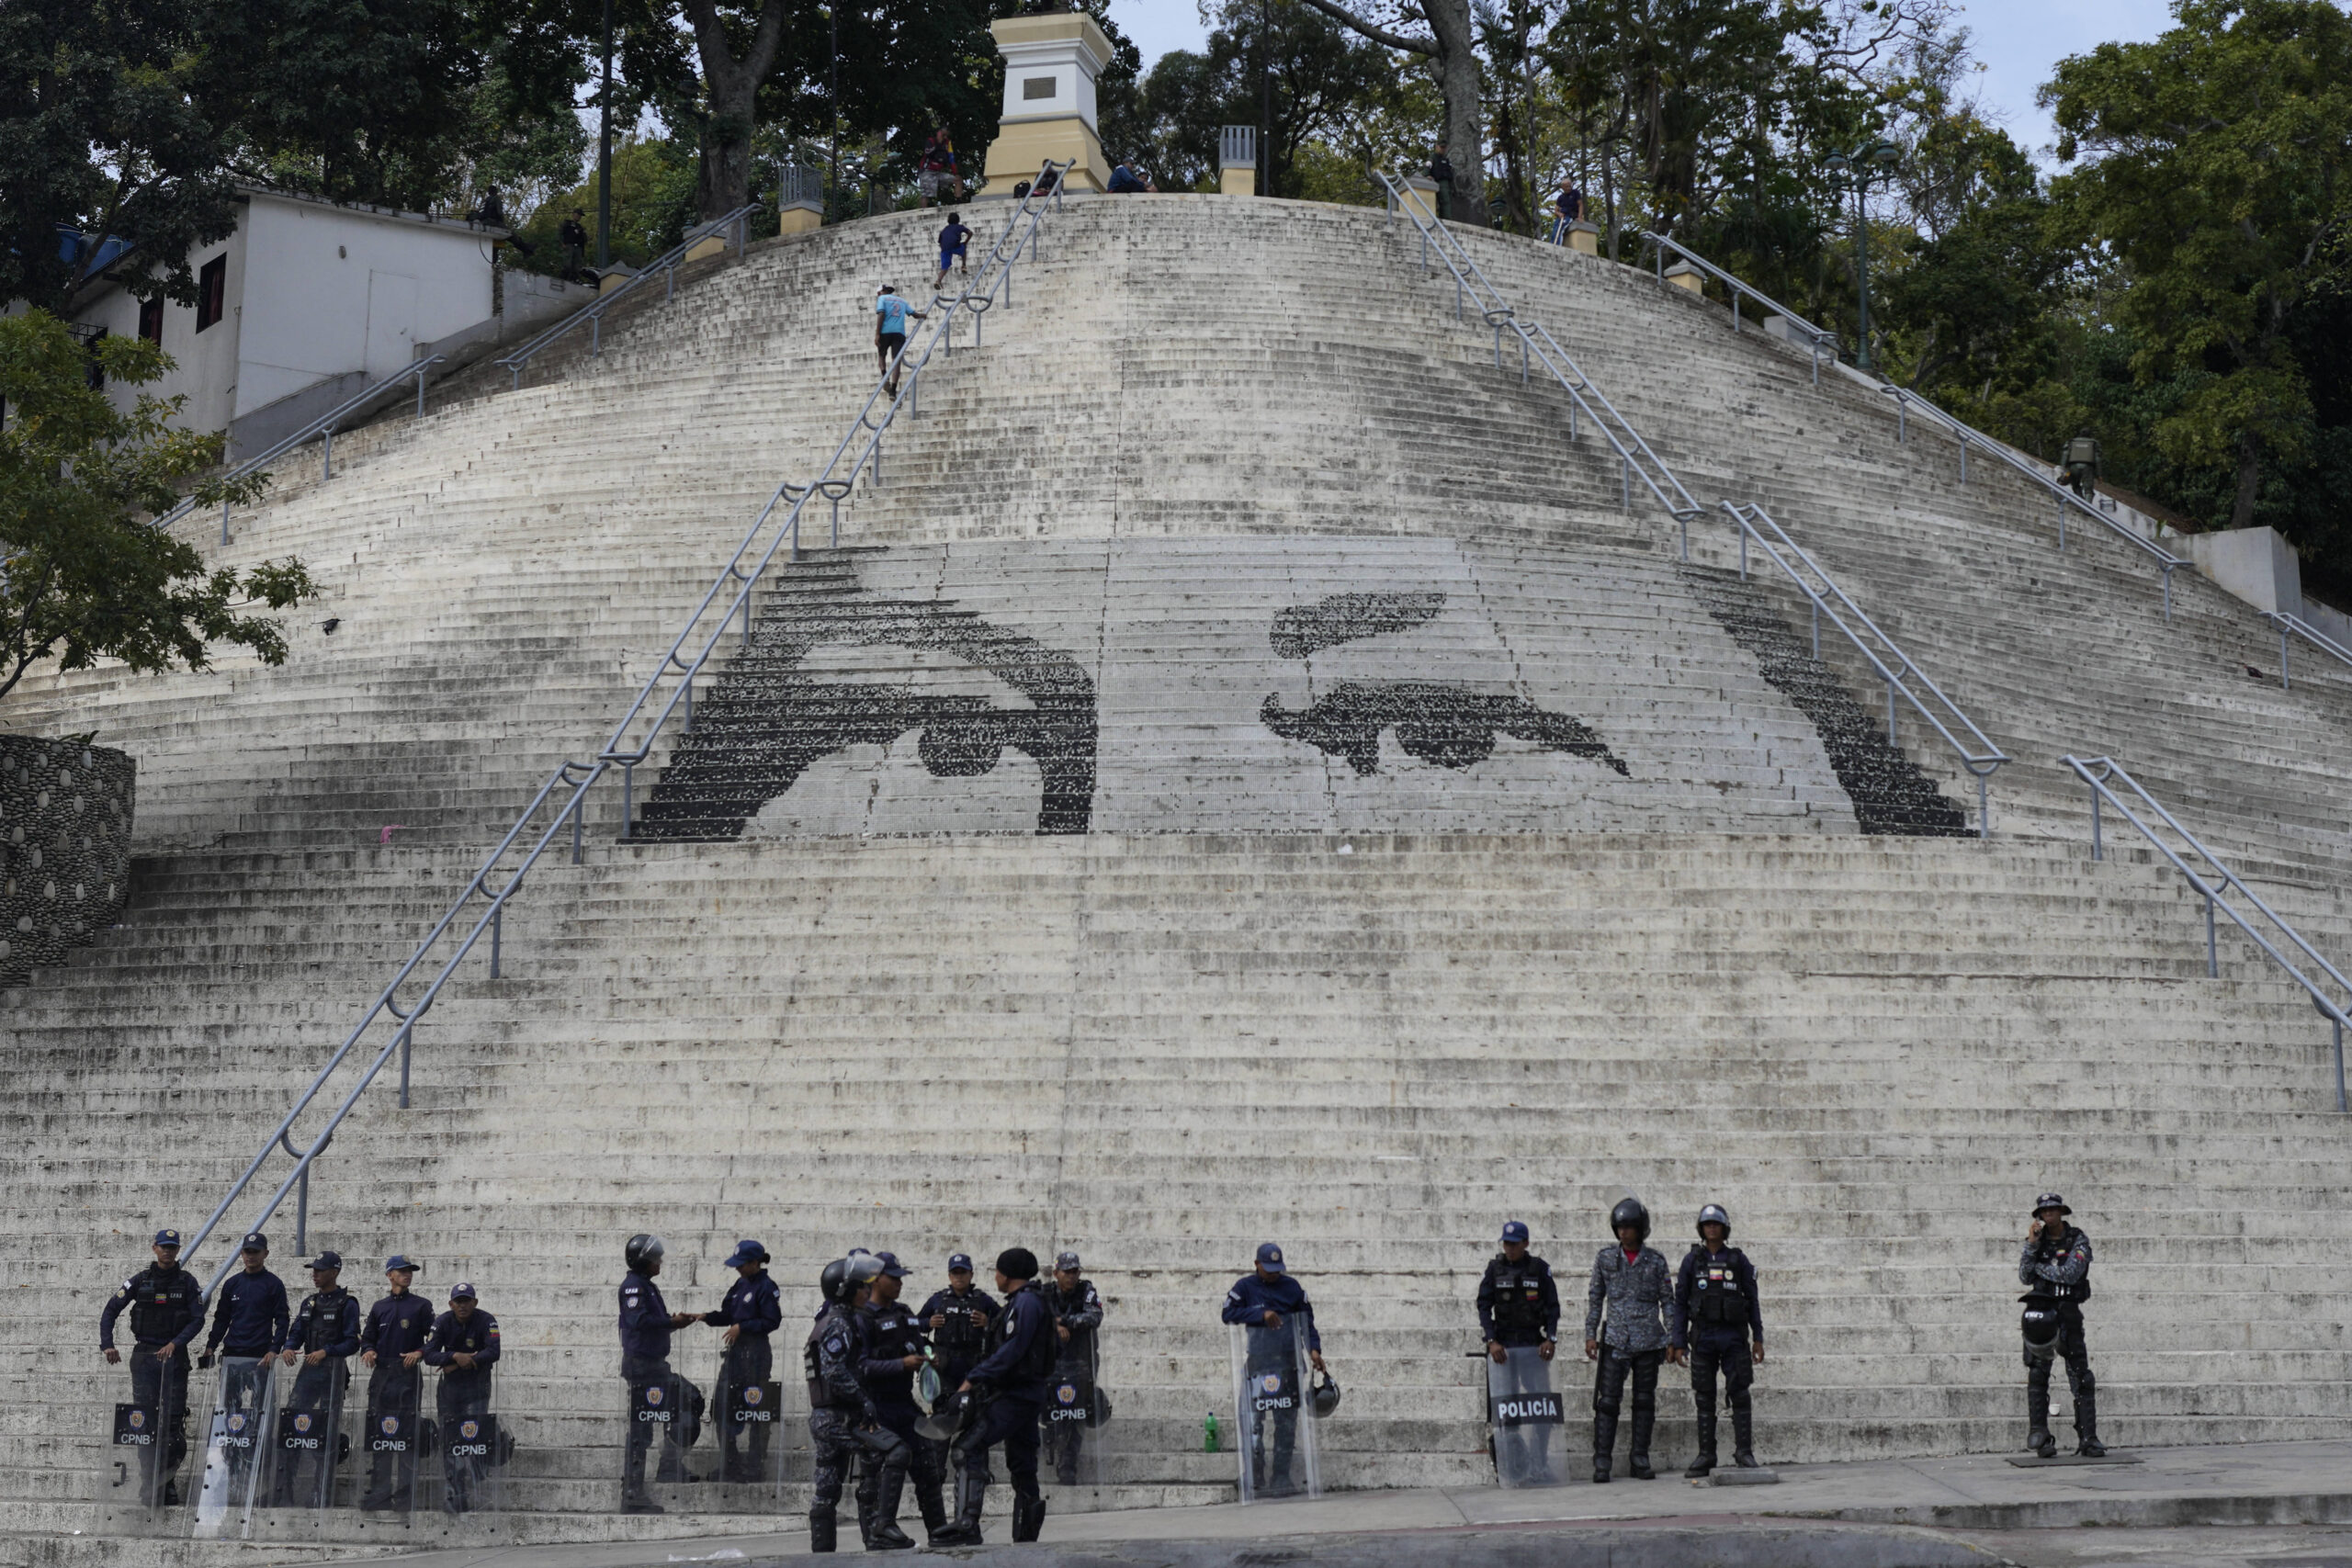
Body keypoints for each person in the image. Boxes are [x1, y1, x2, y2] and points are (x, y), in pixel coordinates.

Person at [933, 1247, 1055, 1545]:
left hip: (1015, 1395)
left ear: (1008, 1275)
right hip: (1026, 1394)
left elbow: (1014, 1349)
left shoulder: (1025, 1303)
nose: (996, 1278)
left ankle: (966, 1525)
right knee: (1023, 1464)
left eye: (998, 1272)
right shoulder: (1027, 1302)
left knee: (966, 1447)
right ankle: (1026, 1538)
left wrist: (974, 1378)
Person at [806, 1254, 915, 1552]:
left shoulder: (833, 1321)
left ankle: (824, 1553)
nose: (868, 1292)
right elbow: (834, 1371)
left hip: (826, 1416)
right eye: (863, 1288)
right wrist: (863, 1399)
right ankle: (883, 1528)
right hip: (839, 1417)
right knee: (895, 1450)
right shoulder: (839, 1324)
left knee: (828, 1488)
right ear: (848, 1291)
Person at [98, 1228, 204, 1505]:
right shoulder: (139, 1281)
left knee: (172, 1426)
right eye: (164, 1246)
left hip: (174, 1358)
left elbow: (198, 1319)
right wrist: (107, 1344)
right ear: (154, 1248)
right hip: (145, 1357)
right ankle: (149, 1483)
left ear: (178, 1250)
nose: (168, 1251)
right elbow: (111, 1310)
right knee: (144, 1425)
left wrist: (176, 1343)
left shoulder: (188, 1282)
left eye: (173, 1247)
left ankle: (165, 1483)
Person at [1221, 1242, 1326, 1498]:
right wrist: (1261, 1315)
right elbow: (1227, 1313)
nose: (1273, 1274)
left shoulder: (1292, 1288)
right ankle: (1255, 1475)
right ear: (1256, 1264)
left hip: (1288, 1362)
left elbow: (1307, 1322)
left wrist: (1314, 1350)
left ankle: (1281, 1476)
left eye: (1277, 1269)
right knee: (1253, 1422)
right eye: (1268, 1269)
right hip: (1258, 1363)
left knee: (1286, 1424)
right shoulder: (1244, 1287)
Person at [1669, 1204, 1764, 1476]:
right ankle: (1706, 1454)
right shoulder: (1692, 1261)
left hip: (1733, 1336)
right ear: (1701, 1229)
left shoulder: (1738, 1260)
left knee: (1740, 1393)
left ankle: (1744, 1452)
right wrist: (1678, 1341)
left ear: (1724, 1228)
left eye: (1716, 1224)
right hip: (1703, 1336)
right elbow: (1680, 1303)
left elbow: (1752, 1300)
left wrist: (1758, 1337)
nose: (1712, 1228)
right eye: (1707, 1224)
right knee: (1704, 1396)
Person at [858, 1251, 945, 1541]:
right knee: (879, 1474)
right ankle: (881, 1530)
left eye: (900, 1278)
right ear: (875, 1279)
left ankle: (939, 1530)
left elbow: (921, 1347)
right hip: (874, 1407)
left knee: (928, 1465)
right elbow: (859, 1366)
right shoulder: (863, 1318)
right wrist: (900, 1364)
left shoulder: (906, 1313)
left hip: (904, 1404)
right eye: (893, 1278)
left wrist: (929, 1358)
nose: (898, 1283)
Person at [1585, 1198, 1670, 1483]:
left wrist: (1673, 1337)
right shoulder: (1606, 1258)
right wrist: (1590, 1334)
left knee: (1644, 1401)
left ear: (1640, 1229)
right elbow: (1596, 1298)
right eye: (1620, 1227)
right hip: (1616, 1339)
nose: (1624, 1233)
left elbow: (1668, 1302)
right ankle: (1602, 1460)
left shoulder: (1656, 1261)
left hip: (1648, 1341)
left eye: (1630, 1227)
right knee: (1607, 1402)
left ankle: (1640, 1457)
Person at [198, 1231, 288, 1498]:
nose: (250, 1256)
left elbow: (282, 1321)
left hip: (260, 1358)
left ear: (265, 1254)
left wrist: (274, 1350)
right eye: (247, 1251)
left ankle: (259, 1471)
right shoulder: (232, 1284)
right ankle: (232, 1467)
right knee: (230, 1415)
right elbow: (222, 1319)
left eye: (256, 1251)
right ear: (241, 1254)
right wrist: (211, 1345)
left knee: (262, 1414)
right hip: (233, 1357)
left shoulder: (273, 1284)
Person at [618, 1234, 699, 1513]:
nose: (660, 1262)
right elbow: (637, 1320)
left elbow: (654, 1320)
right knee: (641, 1430)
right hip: (642, 1368)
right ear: (643, 1261)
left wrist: (674, 1322)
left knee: (691, 1399)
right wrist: (670, 1322)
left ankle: (669, 1464)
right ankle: (632, 1493)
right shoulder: (633, 1288)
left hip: (656, 1366)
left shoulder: (647, 1286)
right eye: (656, 1258)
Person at [275, 1250, 361, 1506]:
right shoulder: (309, 1302)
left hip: (332, 1374)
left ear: (334, 1272)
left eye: (320, 1270)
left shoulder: (348, 1303)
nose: (315, 1274)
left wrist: (327, 1352)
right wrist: (289, 1347)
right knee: (292, 1424)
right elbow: (296, 1332)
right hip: (308, 1374)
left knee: (326, 1430)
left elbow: (352, 1342)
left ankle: (319, 1490)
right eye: (314, 1269)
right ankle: (285, 1489)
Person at [2020, 1193, 2102, 1458]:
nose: (2049, 1215)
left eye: (2054, 1210)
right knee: (2038, 1374)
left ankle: (2088, 1437)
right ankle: (2040, 1435)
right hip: (2041, 1311)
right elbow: (2024, 1276)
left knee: (2080, 1374)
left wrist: (2039, 1267)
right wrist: (2032, 1246)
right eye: (2044, 1212)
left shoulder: (2077, 1238)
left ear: (2061, 1212)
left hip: (2068, 1310)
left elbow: (2070, 1274)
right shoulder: (2036, 1242)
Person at [1478, 1219, 1560, 1483]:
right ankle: (1515, 1470)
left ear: (1525, 1243)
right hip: (1504, 1350)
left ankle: (1540, 1465)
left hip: (1532, 1347)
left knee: (1542, 1409)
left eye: (1514, 1244)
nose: (1510, 1248)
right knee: (1508, 1411)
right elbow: (1483, 1305)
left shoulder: (1539, 1269)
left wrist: (1551, 1339)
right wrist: (1491, 1341)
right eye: (1506, 1243)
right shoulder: (1495, 1269)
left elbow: (1552, 1307)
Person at [358, 1255, 435, 1510]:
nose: (407, 1275)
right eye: (402, 1271)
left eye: (410, 1271)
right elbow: (367, 1336)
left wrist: (420, 1353)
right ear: (390, 1274)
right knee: (380, 1434)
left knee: (406, 1435)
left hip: (407, 1374)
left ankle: (405, 1495)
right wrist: (368, 1350)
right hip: (382, 1374)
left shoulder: (421, 1306)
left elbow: (434, 1338)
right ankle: (379, 1492)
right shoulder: (379, 1306)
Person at [702, 1239, 782, 1484]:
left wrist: (743, 1327)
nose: (738, 1269)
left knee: (756, 1410)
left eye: (742, 1265)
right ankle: (730, 1463)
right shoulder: (739, 1284)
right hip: (735, 1356)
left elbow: (772, 1321)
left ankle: (754, 1465)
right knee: (723, 1407)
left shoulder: (767, 1287)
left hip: (756, 1355)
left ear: (755, 1263)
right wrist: (705, 1317)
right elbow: (728, 1314)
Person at [422, 1281, 500, 1513]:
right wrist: (456, 1356)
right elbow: (429, 1354)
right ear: (451, 1303)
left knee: (473, 1438)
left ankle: (475, 1480)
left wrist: (460, 1362)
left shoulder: (486, 1320)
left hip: (477, 1387)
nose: (462, 1306)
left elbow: (494, 1351)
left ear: (475, 1303)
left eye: (467, 1301)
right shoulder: (443, 1321)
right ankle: (455, 1491)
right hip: (450, 1392)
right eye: (458, 1301)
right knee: (450, 1440)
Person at [1040, 1250, 1103, 1486]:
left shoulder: (1086, 1290)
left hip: (1081, 1361)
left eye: (1075, 1271)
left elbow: (1095, 1315)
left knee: (1077, 1413)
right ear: (1056, 1273)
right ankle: (1049, 1447)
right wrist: (1053, 1326)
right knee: (1048, 1411)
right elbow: (1034, 1317)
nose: (1072, 1276)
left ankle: (1068, 1465)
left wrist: (1066, 1322)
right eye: (1067, 1272)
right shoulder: (1045, 1293)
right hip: (1052, 1363)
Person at [873, 286, 927, 398]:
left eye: (878, 293)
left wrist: (877, 333)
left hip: (885, 332)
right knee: (896, 360)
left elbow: (881, 314)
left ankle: (884, 376)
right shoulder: (902, 301)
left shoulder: (882, 299)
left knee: (881, 355)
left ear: (881, 292)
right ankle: (893, 390)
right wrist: (923, 315)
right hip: (899, 333)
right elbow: (914, 314)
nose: (878, 295)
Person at [918, 128, 960, 207]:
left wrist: (955, 173)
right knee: (926, 194)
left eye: (946, 136)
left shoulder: (947, 144)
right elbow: (927, 153)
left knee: (958, 180)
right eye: (943, 135)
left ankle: (958, 204)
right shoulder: (931, 141)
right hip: (927, 171)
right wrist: (937, 145)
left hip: (938, 173)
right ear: (939, 133)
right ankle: (923, 212)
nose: (945, 138)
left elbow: (951, 158)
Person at [933, 213, 973, 292]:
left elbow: (940, 242)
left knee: (944, 267)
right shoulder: (959, 227)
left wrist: (944, 249)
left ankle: (938, 280)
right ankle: (963, 266)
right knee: (963, 248)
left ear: (948, 221)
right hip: (955, 246)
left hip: (944, 248)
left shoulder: (945, 229)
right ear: (958, 220)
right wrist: (966, 242)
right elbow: (970, 233)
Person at [1548, 178, 1584, 243]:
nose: (1568, 188)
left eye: (1569, 186)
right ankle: (1552, 243)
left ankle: (1557, 244)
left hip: (1571, 215)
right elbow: (1556, 210)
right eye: (1566, 186)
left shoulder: (1575, 193)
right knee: (1555, 228)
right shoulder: (1561, 197)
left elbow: (1580, 205)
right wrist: (1559, 214)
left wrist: (1580, 217)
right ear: (1562, 187)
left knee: (1561, 227)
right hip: (1562, 216)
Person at [559, 209, 589, 281]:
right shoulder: (567, 224)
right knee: (567, 265)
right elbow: (559, 233)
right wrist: (562, 243)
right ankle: (562, 279)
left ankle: (573, 280)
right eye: (578, 214)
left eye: (580, 215)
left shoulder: (580, 227)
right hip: (569, 245)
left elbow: (584, 238)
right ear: (573, 214)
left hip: (578, 248)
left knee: (577, 268)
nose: (579, 217)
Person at [1427, 147, 1456, 221]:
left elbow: (1450, 172)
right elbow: (1428, 166)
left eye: (1444, 148)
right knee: (1437, 200)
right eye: (1441, 147)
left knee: (1446, 201)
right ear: (1437, 147)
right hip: (1436, 180)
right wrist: (1427, 175)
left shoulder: (1446, 160)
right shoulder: (1433, 157)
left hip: (1446, 183)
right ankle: (1444, 218)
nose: (1443, 149)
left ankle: (1446, 218)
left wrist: (1453, 187)